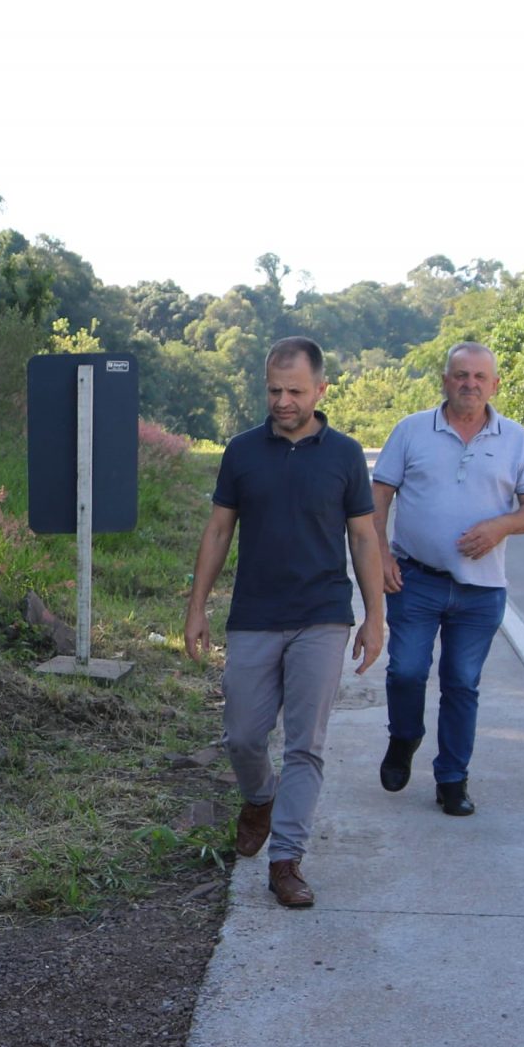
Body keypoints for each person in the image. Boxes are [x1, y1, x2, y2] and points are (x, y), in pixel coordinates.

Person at [185, 338, 385, 908]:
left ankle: (286, 861)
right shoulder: (242, 451)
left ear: (321, 390)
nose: (282, 401)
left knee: (306, 744)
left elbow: (363, 537)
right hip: (254, 614)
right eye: (274, 390)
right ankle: (260, 797)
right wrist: (197, 606)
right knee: (243, 735)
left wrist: (375, 617)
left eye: (295, 391)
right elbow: (219, 530)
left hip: (322, 615)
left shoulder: (344, 454)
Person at [371, 341, 524, 816]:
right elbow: (378, 497)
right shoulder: (411, 430)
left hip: (481, 590)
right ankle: (404, 737)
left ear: (494, 385)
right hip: (415, 578)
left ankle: (452, 779)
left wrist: (501, 526)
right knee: (406, 671)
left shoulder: (517, 440)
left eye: (479, 377)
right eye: (461, 375)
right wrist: (381, 555)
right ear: (445, 380)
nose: (470, 384)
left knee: (462, 683)